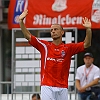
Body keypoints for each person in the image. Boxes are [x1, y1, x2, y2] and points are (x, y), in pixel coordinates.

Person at [19, 9, 92, 100]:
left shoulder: (68, 48)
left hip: (62, 87)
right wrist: (21, 22)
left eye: (56, 29)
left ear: (62, 32)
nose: (53, 31)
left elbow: (87, 44)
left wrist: (88, 29)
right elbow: (28, 36)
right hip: (47, 86)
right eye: (51, 30)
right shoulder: (44, 46)